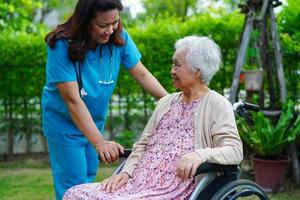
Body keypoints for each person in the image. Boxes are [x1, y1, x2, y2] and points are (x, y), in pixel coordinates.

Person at [63, 35, 243, 200]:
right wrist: (125, 174)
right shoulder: (166, 102)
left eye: (177, 65)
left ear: (197, 71)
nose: (172, 70)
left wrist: (199, 155)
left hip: (170, 190)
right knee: (74, 193)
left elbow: (234, 150)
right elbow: (142, 145)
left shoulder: (217, 104)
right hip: (135, 184)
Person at [41, 0, 168, 199]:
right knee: (73, 186)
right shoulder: (61, 44)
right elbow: (71, 99)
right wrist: (100, 143)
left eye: (114, 22)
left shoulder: (119, 39)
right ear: (85, 21)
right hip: (64, 124)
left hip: (93, 121)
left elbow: (142, 74)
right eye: (102, 25)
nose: (109, 30)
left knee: (88, 182)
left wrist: (171, 101)